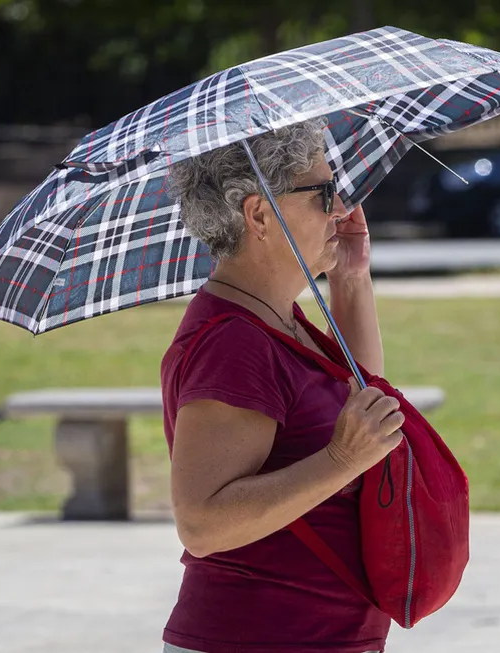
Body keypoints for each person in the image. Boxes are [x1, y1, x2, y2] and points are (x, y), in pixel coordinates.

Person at [159, 117, 404, 653]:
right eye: (324, 194)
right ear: (260, 214)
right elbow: (202, 523)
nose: (341, 209)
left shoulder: (278, 318)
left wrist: (351, 278)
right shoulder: (233, 343)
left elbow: (362, 403)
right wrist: (340, 460)